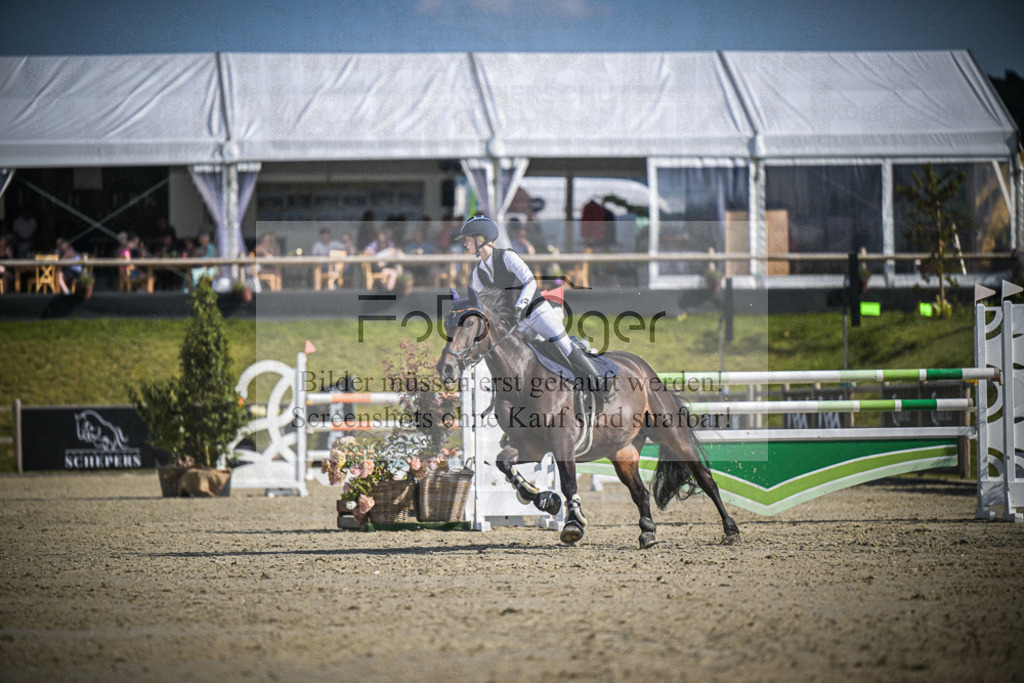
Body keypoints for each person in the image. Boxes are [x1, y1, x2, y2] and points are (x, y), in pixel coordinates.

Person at [456, 215, 615, 402]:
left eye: (467, 240)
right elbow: (488, 306)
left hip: (537, 311)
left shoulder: (507, 256)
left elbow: (529, 281)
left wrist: (519, 305)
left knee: (564, 346)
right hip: (519, 323)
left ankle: (600, 385)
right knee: (513, 356)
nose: (465, 245)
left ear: (480, 239)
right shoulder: (477, 273)